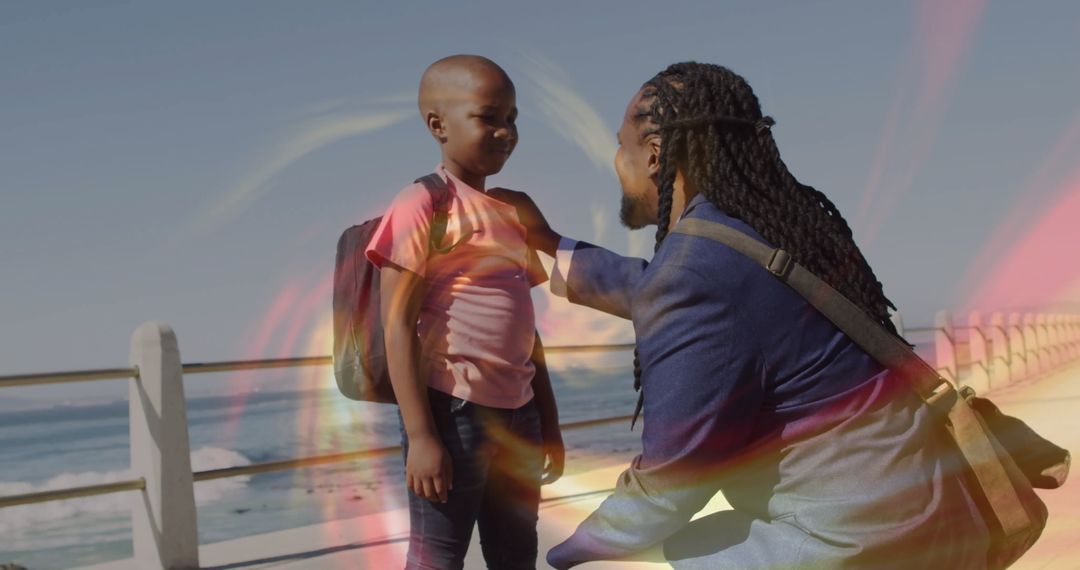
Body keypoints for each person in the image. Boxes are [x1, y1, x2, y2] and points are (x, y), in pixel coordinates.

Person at [493, 62, 990, 569]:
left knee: (603, 563)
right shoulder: (776, 226)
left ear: (656, 155)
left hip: (853, 544)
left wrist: (563, 557)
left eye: (622, 148)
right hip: (930, 508)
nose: (617, 163)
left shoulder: (692, 272)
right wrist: (551, 243)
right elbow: (670, 293)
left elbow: (668, 482)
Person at [365, 54, 564, 570]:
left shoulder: (514, 209)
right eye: (489, 116)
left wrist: (549, 423)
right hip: (452, 413)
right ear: (438, 125)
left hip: (519, 416)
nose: (506, 131)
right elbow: (397, 326)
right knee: (439, 556)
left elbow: (525, 328)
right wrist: (423, 437)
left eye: (513, 118)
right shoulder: (423, 204)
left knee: (516, 553)